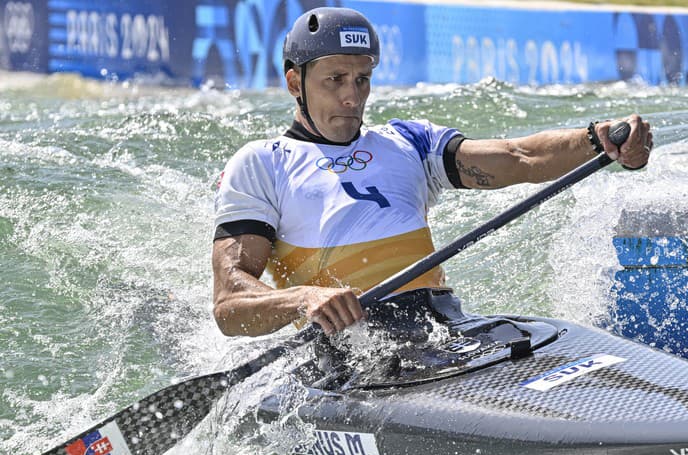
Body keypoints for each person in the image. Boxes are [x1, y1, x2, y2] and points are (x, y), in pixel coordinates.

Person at [212, 7, 652, 339]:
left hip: (443, 327)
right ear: (294, 84)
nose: (353, 96)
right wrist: (305, 298)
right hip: (348, 350)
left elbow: (517, 156)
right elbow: (230, 303)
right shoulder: (261, 164)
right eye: (335, 79)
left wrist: (597, 140)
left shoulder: (409, 142)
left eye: (362, 79)